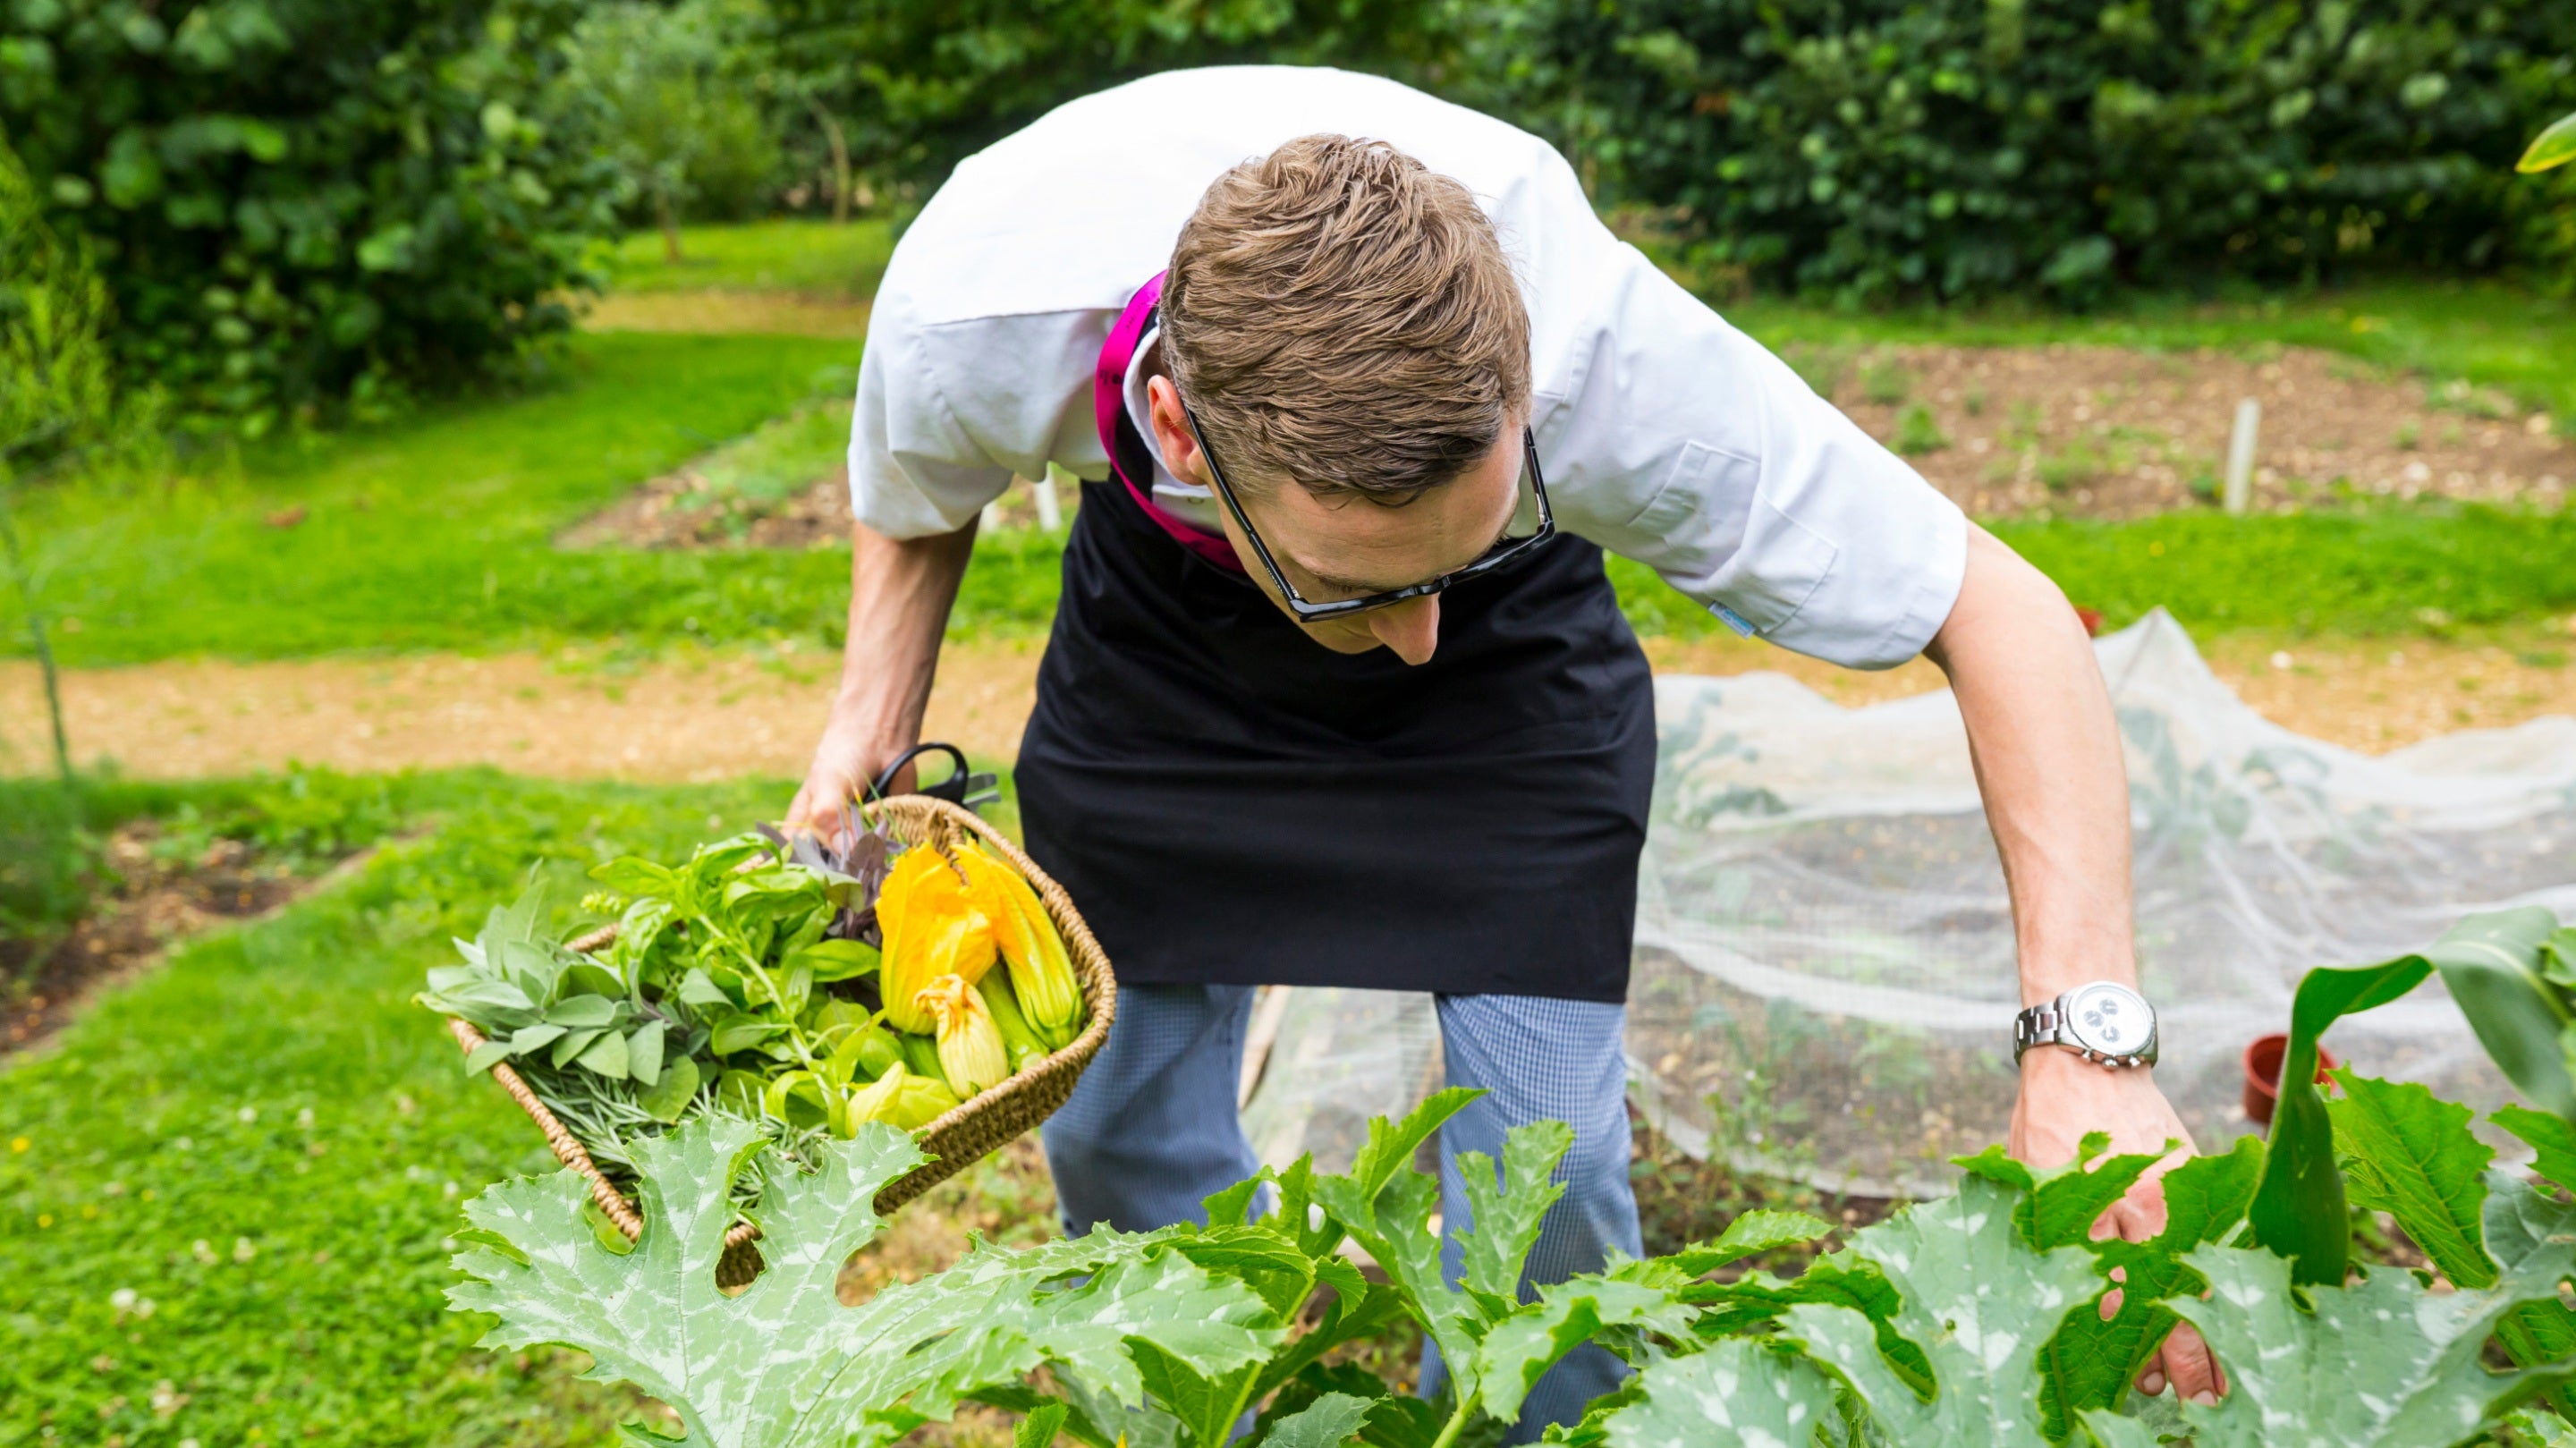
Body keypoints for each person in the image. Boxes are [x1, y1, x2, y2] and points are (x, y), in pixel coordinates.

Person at [789, 64, 2215, 1438]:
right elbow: (922, 485)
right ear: (1175, 424)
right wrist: (868, 726)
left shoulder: (1611, 358)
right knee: (1114, 1127)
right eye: (1363, 589)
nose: (1416, 640)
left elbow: (2002, 610)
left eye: (1445, 559)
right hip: (1164, 652)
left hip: (1517, 667)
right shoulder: (975, 301)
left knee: (1556, 1173)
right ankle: (1219, 1404)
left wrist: (2087, 1049)